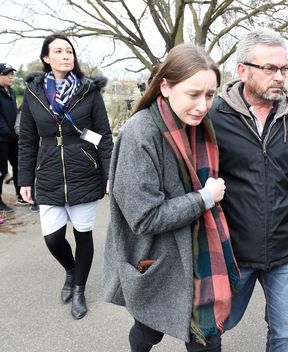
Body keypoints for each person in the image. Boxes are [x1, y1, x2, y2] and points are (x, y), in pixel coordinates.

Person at [103, 43, 240, 352]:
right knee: (148, 330)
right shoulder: (140, 133)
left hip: (199, 256)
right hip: (158, 258)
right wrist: (204, 198)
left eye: (209, 95)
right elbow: (144, 216)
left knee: (206, 339)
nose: (203, 105)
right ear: (164, 86)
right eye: (193, 94)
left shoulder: (200, 125)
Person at [209, 29, 288, 351]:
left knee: (287, 335)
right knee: (212, 328)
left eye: (284, 68)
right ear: (242, 70)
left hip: (286, 248)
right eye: (270, 69)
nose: (280, 76)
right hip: (232, 250)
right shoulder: (213, 117)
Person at [18, 33, 113, 319]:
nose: (65, 56)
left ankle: (80, 289)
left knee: (84, 235)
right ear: (46, 58)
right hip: (47, 171)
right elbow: (26, 139)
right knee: (53, 237)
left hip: (84, 169)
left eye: (69, 51)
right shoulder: (34, 93)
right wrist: (24, 179)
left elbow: (104, 136)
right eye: (58, 51)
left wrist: (110, 173)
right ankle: (70, 270)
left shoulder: (89, 91)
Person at [0, 63, 28, 212]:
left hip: (13, 138)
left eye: (12, 74)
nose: (11, 77)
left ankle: (21, 194)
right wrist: (8, 132)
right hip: (2, 139)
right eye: (7, 74)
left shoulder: (11, 91)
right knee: (2, 170)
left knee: (19, 166)